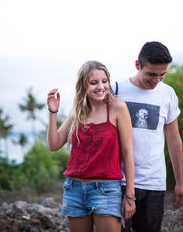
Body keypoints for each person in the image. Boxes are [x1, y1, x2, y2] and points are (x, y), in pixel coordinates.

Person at [47, 60, 136, 232]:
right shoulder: (78, 110)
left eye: (104, 81)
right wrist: (53, 112)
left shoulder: (117, 107)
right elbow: (54, 144)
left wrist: (130, 196)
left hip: (106, 190)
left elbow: (128, 152)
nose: (101, 87)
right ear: (83, 85)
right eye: (93, 82)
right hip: (74, 189)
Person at [113, 41, 183, 232]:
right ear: (137, 65)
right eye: (152, 74)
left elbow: (174, 139)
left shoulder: (168, 94)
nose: (157, 80)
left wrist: (179, 183)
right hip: (119, 180)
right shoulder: (116, 91)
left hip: (155, 182)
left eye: (162, 74)